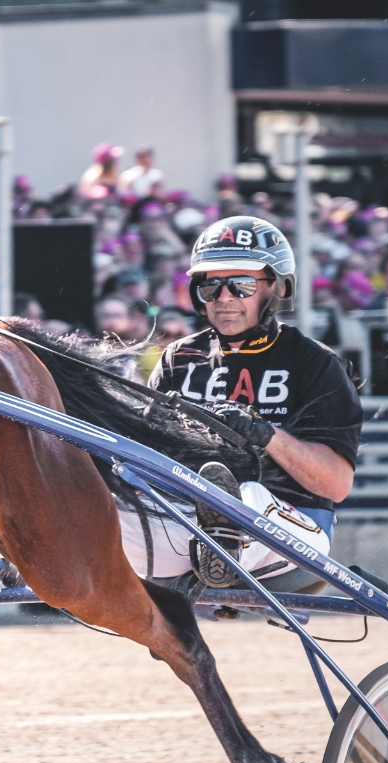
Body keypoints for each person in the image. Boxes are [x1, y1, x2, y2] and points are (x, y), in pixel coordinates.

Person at [138, 215, 361, 589]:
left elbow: (336, 484)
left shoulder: (315, 363)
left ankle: (223, 540)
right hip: (184, 521)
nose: (223, 299)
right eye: (211, 288)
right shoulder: (178, 359)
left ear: (274, 289)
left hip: (292, 528)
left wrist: (265, 435)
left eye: (240, 285)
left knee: (248, 494)